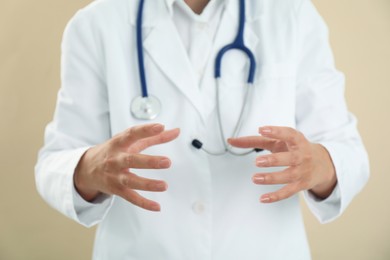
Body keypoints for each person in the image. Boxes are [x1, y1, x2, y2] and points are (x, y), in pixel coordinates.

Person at [35, 0, 369, 259]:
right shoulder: (97, 23)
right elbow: (54, 162)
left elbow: (347, 150)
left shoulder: (290, 15)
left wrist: (320, 164)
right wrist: (87, 169)